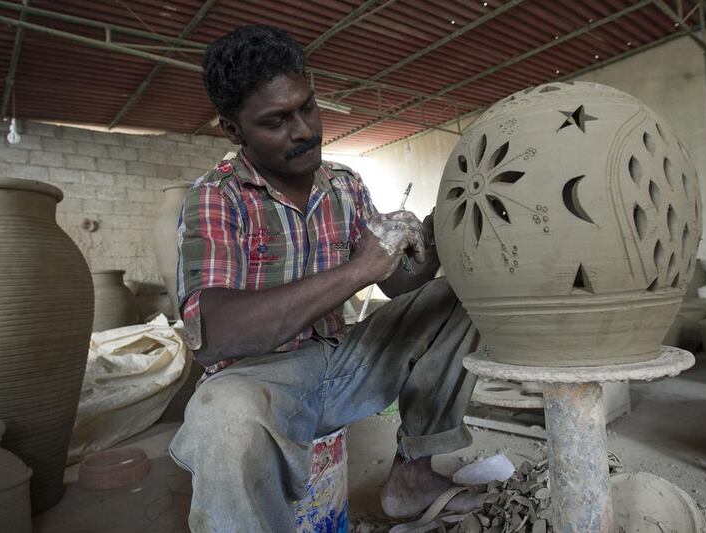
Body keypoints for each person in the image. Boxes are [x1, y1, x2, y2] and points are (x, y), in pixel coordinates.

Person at [169, 24, 482, 532]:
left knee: (456, 297)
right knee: (220, 419)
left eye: (307, 108)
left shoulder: (344, 185)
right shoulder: (217, 196)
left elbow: (398, 286)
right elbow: (215, 336)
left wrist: (427, 245)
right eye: (276, 121)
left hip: (343, 363)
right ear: (233, 130)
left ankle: (414, 477)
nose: (304, 131)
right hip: (257, 380)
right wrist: (358, 267)